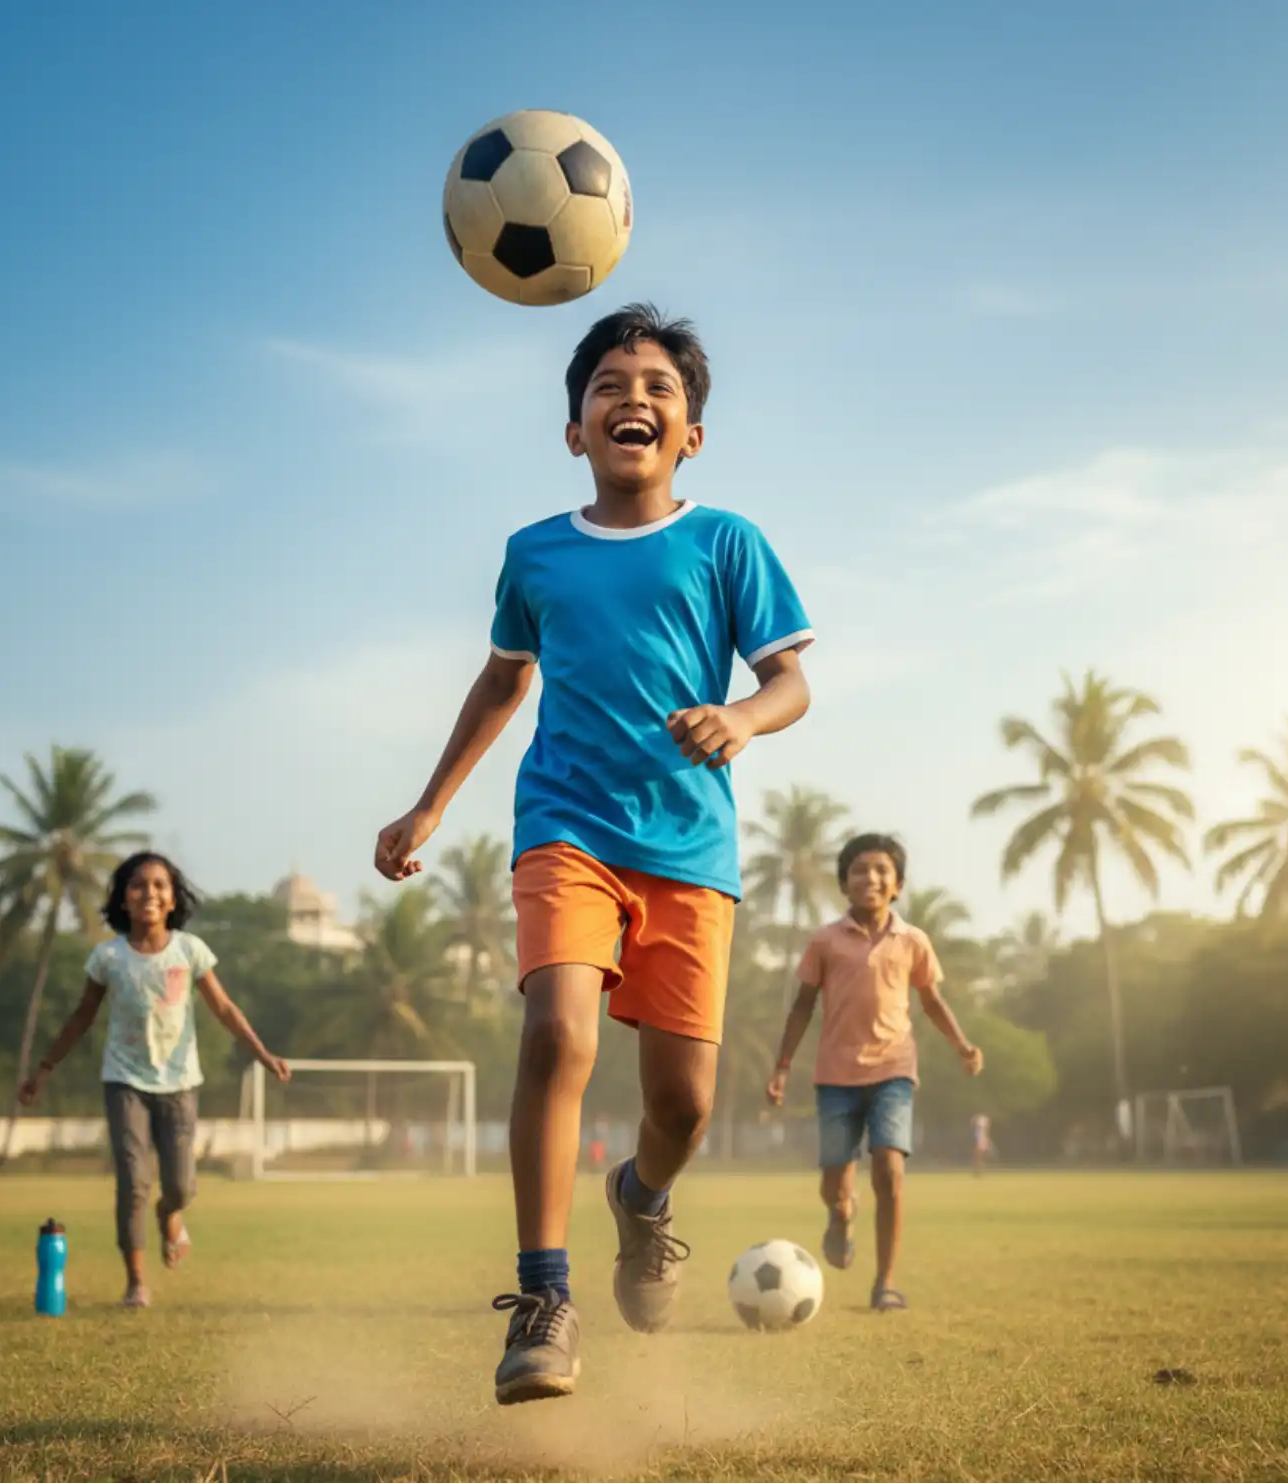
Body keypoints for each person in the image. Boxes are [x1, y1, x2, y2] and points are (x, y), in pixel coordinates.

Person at [374, 303, 812, 1405]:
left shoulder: (727, 543)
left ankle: (642, 1197)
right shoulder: (535, 553)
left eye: (659, 387)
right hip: (565, 827)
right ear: (575, 429)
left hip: (689, 846)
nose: (634, 398)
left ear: (691, 435)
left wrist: (741, 721)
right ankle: (541, 1298)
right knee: (557, 1033)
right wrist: (431, 806)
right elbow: (502, 678)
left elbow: (790, 680)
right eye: (610, 384)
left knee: (683, 1105)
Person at [19, 851, 290, 1307]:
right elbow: (82, 1016)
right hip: (124, 1081)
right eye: (138, 885)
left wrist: (261, 1053)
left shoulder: (189, 950)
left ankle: (171, 1216)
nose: (149, 893)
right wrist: (44, 1068)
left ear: (172, 899)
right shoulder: (107, 956)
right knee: (133, 1182)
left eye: (160, 885)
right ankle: (136, 1282)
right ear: (123, 899)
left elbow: (223, 1009)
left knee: (182, 1186)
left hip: (180, 1082)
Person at [766, 833, 983, 1312]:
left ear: (898, 885)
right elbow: (802, 1006)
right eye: (860, 869)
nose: (871, 878)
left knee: (889, 1168)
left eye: (882, 870)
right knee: (833, 1184)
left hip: (894, 1070)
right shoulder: (825, 941)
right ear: (845, 882)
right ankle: (841, 1216)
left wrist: (962, 1045)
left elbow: (931, 1000)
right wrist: (782, 1068)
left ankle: (884, 1283)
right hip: (835, 1077)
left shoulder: (913, 941)